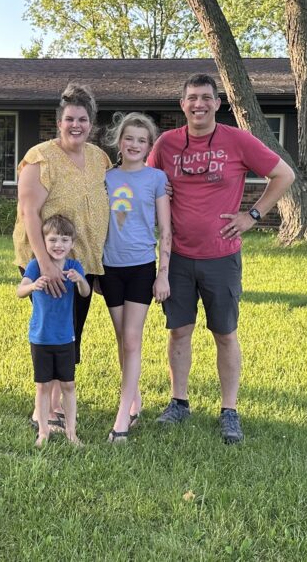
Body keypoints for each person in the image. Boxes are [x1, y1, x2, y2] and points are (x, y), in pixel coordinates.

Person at [147, 73, 295, 444]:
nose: (199, 104)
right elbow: (145, 182)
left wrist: (253, 215)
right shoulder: (167, 144)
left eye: (206, 98)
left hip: (221, 257)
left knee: (224, 334)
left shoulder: (237, 140)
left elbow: (283, 174)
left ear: (218, 103)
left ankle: (229, 410)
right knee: (179, 330)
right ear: (182, 105)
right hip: (177, 255)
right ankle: (179, 402)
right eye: (192, 98)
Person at [13, 83, 110, 429]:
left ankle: (54, 405)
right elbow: (30, 213)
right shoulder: (40, 158)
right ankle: (44, 410)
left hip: (80, 264)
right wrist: (47, 267)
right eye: (69, 119)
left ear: (91, 123)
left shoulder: (100, 158)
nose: (76, 125)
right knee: (52, 329)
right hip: (46, 262)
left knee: (72, 332)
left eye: (82, 119)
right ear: (59, 122)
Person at [99, 112, 171, 443]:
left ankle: (121, 418)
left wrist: (163, 275)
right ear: (119, 140)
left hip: (141, 267)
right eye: (129, 138)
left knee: (132, 340)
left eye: (142, 140)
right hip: (110, 268)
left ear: (149, 146)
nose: (135, 144)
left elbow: (166, 231)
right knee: (120, 339)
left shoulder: (157, 179)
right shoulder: (106, 178)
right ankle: (135, 399)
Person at [17, 214, 90, 447]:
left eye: (65, 240)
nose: (59, 245)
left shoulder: (73, 266)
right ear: (43, 242)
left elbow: (86, 292)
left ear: (72, 243)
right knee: (43, 386)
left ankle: (71, 432)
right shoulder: (36, 265)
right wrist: (32, 285)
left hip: (65, 338)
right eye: (53, 240)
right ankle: (43, 431)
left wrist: (80, 280)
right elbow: (20, 291)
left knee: (68, 384)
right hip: (40, 337)